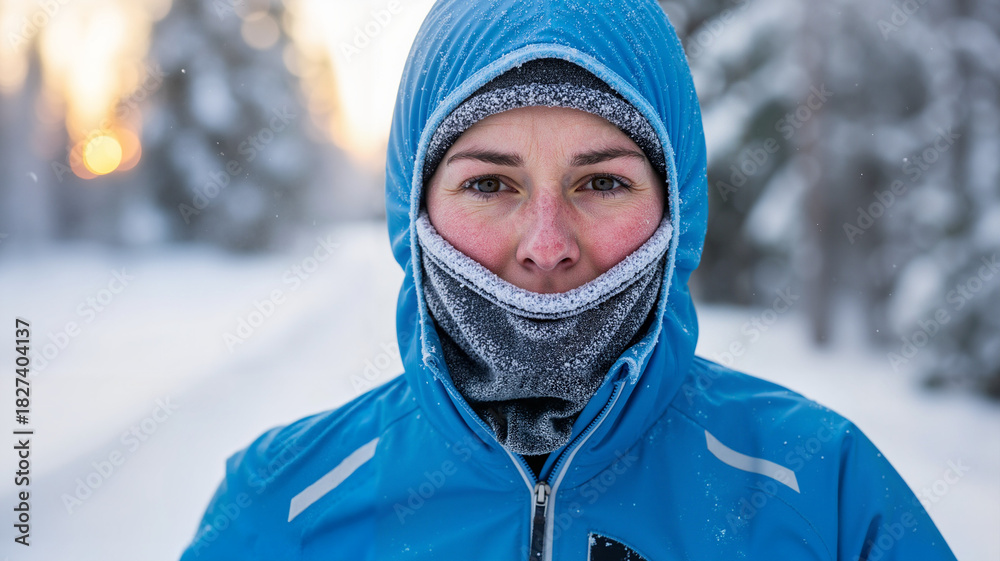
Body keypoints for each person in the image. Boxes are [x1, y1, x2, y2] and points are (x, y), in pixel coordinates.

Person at [180, 0, 958, 559]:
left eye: (604, 183)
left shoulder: (822, 489)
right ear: (411, 209)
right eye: (490, 184)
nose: (545, 246)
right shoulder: (283, 504)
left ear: (676, 207)